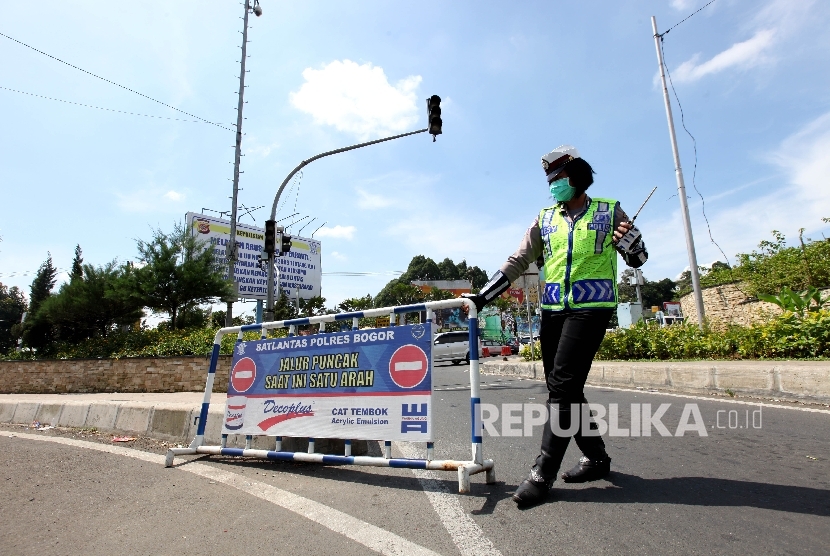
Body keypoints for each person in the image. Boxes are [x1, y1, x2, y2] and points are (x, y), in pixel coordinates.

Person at [463, 145, 648, 506]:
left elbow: (638, 258)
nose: (553, 186)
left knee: (562, 389)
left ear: (577, 177)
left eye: (559, 179)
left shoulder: (609, 210)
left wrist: (632, 244)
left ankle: (541, 475)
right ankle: (596, 459)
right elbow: (519, 260)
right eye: (549, 181)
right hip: (553, 312)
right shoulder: (545, 218)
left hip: (591, 308)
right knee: (565, 389)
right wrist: (481, 297)